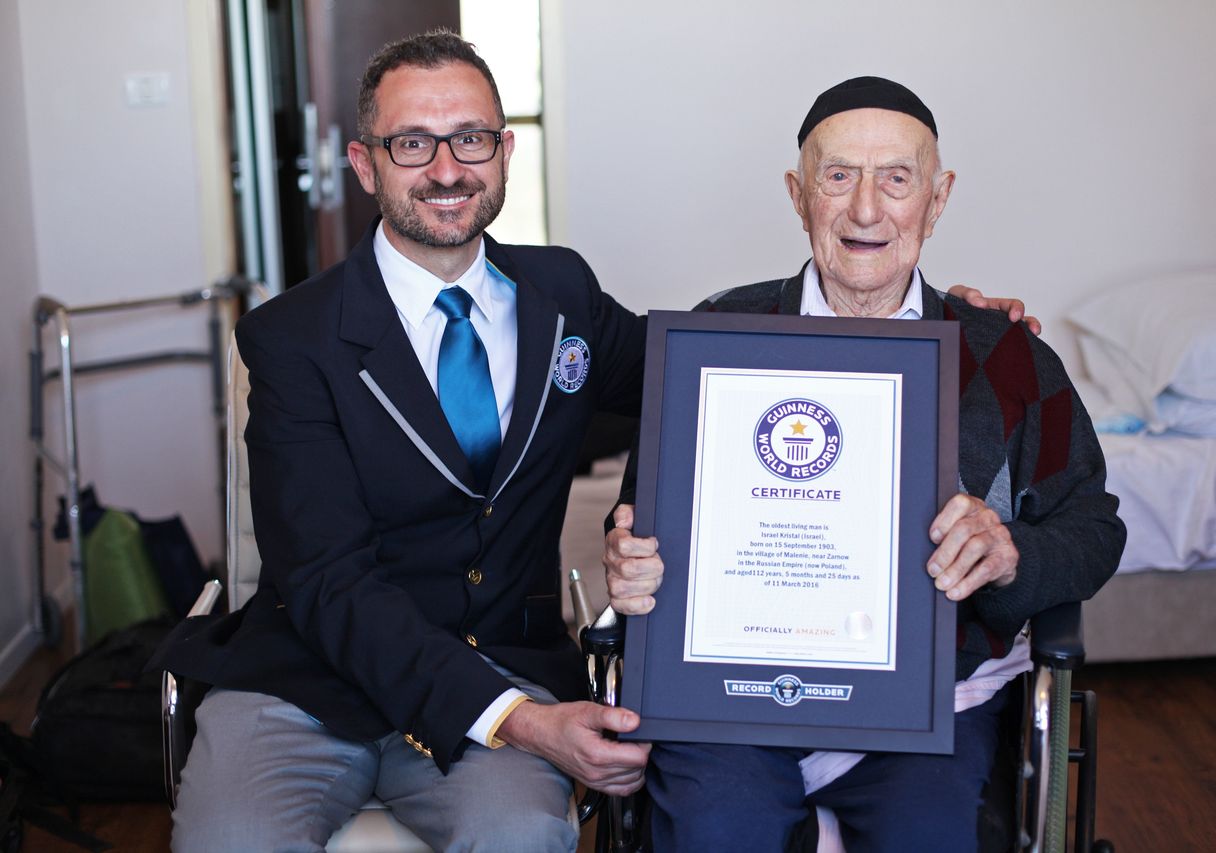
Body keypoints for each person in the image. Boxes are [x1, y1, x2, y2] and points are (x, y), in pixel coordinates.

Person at [152, 32, 1037, 849]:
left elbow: (724, 369)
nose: (447, 168)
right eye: (412, 143)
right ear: (364, 163)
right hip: (306, 687)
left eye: (471, 138)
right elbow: (327, 583)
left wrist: (933, 330)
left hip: (501, 654)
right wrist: (527, 721)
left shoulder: (561, 293)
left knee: (527, 835)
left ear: (504, 151)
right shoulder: (292, 336)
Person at [603, 76, 1127, 852]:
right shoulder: (716, 335)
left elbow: (1095, 526)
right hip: (735, 705)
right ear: (798, 193)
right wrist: (629, 560)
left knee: (935, 835)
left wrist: (1014, 553)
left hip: (934, 706)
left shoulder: (1009, 357)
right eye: (838, 176)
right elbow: (638, 527)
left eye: (897, 179)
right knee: (714, 830)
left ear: (938, 198)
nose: (867, 210)